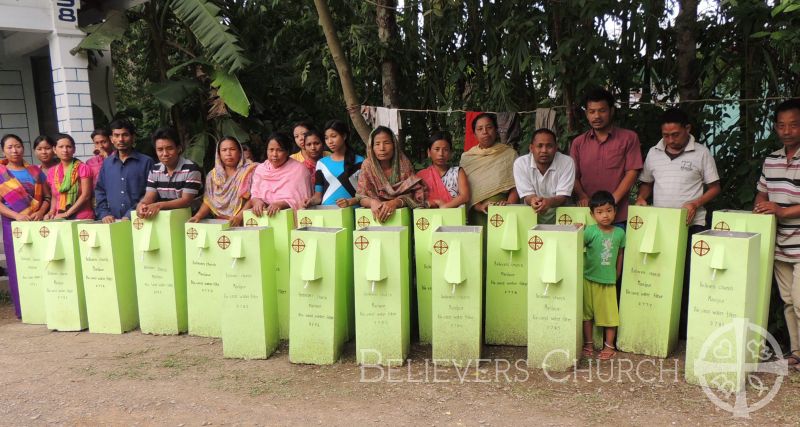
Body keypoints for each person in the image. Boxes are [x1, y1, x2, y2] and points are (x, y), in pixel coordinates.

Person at [635, 108, 721, 338]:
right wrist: (642, 198)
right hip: (662, 226)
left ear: (687, 130)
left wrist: (695, 203)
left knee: (690, 277)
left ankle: (686, 331)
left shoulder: (701, 153)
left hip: (693, 224)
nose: (670, 139)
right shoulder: (653, 153)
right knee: (662, 275)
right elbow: (646, 183)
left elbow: (715, 188)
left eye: (675, 134)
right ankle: (664, 326)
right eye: (666, 135)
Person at [754, 98, 800, 371]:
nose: (787, 130)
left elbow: (780, 208)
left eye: (793, 125)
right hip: (779, 243)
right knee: (787, 301)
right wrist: (761, 208)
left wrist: (782, 211)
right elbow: (762, 191)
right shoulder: (771, 159)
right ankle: (795, 353)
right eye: (781, 125)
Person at [570, 88, 643, 226]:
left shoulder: (629, 138)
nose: (596, 116)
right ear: (586, 114)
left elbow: (632, 172)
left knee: (618, 247)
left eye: (602, 111)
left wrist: (613, 200)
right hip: (587, 215)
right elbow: (572, 175)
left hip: (618, 214)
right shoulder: (578, 143)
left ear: (612, 111)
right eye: (592, 111)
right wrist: (582, 195)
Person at [0, 134, 50, 319]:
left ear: (23, 148)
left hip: (36, 223)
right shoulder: (1, 172)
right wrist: (17, 216)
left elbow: (46, 197)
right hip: (12, 224)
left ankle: (44, 305)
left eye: (18, 146)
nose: (15, 150)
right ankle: (24, 309)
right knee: (17, 266)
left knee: (38, 263)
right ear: (3, 150)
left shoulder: (35, 171)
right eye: (10, 147)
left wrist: (40, 212)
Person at [582, 191, 625, 360]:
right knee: (587, 314)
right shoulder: (589, 231)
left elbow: (620, 254)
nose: (605, 215)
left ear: (615, 211)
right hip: (588, 278)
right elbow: (577, 246)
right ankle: (588, 344)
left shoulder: (620, 233)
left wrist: (618, 272)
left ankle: (609, 346)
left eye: (608, 210)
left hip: (608, 280)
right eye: (599, 212)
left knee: (609, 314)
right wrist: (577, 229)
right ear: (592, 215)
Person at [357, 126, 428, 222]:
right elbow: (361, 196)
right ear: (371, 147)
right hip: (374, 219)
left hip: (401, 217)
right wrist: (372, 202)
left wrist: (395, 202)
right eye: (377, 144)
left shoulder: (403, 163)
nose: (382, 148)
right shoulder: (367, 165)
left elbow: (415, 194)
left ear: (394, 145)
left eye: (386, 143)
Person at [459, 113, 518, 226]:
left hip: (504, 210)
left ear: (496, 130)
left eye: (489, 127)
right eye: (480, 129)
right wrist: (478, 206)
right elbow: (463, 189)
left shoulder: (509, 154)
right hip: (476, 211)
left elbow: (517, 185)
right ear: (475, 134)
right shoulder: (467, 158)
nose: (485, 131)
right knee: (479, 242)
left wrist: (509, 203)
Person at [95, 119, 154, 223]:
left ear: (133, 137)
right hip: (112, 222)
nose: (120, 139)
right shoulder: (107, 163)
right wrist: (104, 213)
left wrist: (130, 214)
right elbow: (100, 190)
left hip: (140, 220)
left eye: (125, 135)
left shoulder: (146, 162)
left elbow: (151, 192)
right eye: (116, 135)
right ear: (111, 138)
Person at [136, 127, 203, 219]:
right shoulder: (155, 169)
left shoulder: (191, 169)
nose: (165, 153)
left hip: (191, 220)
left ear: (179, 148)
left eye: (169, 148)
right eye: (160, 150)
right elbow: (149, 197)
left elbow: (186, 201)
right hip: (165, 220)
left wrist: (159, 205)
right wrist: (142, 205)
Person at [188, 137, 256, 226]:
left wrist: (239, 217)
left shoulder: (251, 170)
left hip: (247, 221)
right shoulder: (212, 176)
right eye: (224, 150)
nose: (228, 153)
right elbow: (208, 201)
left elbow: (254, 197)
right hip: (220, 223)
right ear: (218, 154)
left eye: (232, 149)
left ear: (240, 152)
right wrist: (198, 216)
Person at [513, 128, 575, 224]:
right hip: (531, 215)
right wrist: (534, 200)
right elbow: (527, 195)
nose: (544, 150)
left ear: (556, 148)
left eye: (549, 146)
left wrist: (549, 202)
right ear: (531, 148)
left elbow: (563, 196)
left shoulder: (567, 162)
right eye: (539, 146)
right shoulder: (521, 163)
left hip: (562, 217)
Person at [250, 132, 312, 217]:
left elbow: (303, 200)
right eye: (271, 150)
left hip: (290, 220)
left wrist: (281, 204)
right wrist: (257, 201)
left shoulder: (300, 170)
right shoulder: (261, 169)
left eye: (279, 150)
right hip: (263, 218)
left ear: (287, 152)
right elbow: (255, 193)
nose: (274, 154)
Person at [307, 120, 364, 207]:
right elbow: (318, 197)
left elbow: (365, 194)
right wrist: (309, 202)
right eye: (326, 138)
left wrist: (350, 201)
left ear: (344, 136)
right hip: (328, 213)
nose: (330, 141)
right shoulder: (321, 164)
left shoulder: (360, 161)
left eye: (333, 136)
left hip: (354, 213)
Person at [44, 134, 94, 220]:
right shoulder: (52, 171)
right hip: (59, 216)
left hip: (82, 216)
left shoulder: (83, 168)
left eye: (68, 147)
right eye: (61, 147)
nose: (65, 150)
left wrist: (67, 213)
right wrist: (51, 212)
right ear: (54, 150)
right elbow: (55, 196)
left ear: (74, 149)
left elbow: (86, 195)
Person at [417, 131, 470, 208]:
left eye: (445, 150)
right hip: (428, 217)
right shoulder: (421, 175)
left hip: (454, 216)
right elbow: (417, 199)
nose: (441, 154)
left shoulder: (457, 172)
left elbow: (465, 196)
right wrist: (434, 202)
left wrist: (445, 206)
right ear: (429, 152)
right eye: (437, 149)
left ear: (450, 153)